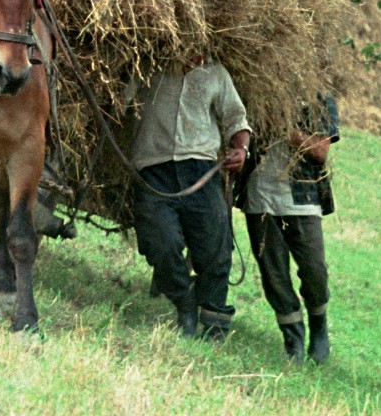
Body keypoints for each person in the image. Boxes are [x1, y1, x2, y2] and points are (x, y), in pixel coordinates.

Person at [129, 57, 251, 340]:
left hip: (202, 171)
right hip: (153, 168)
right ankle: (184, 301)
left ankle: (214, 322)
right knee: (160, 244)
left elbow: (236, 119)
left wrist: (241, 149)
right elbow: (116, 101)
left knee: (215, 247)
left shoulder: (216, 73)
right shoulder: (146, 66)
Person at [238, 93, 339, 363]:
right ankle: (293, 338)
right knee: (273, 274)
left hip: (301, 200)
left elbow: (320, 151)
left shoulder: (318, 95)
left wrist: (284, 127)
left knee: (314, 270)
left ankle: (319, 326)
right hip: (260, 198)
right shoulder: (253, 88)